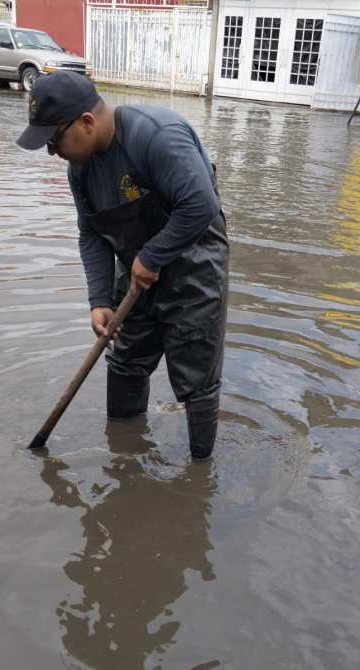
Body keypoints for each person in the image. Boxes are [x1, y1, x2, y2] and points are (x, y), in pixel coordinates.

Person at [17, 71, 229, 460]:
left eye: (53, 140)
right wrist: (99, 299)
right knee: (125, 359)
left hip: (193, 262)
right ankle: (125, 453)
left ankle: (199, 472)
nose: (51, 152)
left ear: (86, 122)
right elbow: (92, 234)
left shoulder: (156, 135)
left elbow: (201, 204)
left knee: (197, 375)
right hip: (135, 269)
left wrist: (153, 256)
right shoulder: (80, 170)